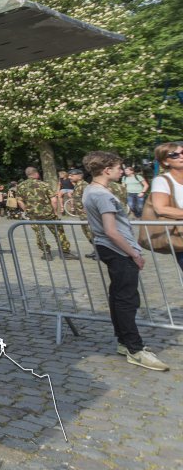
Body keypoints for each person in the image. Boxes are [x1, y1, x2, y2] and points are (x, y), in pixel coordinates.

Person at [83, 150, 169, 370]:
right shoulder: (102, 195)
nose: (121, 171)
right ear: (106, 170)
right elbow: (111, 231)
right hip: (117, 250)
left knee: (118, 297)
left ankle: (124, 342)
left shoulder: (91, 190)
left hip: (109, 248)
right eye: (118, 168)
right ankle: (134, 348)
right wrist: (134, 254)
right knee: (126, 300)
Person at [13, 166, 79, 260]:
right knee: (58, 231)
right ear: (36, 174)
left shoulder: (21, 186)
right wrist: (55, 212)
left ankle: (46, 253)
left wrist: (26, 210)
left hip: (33, 214)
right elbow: (54, 200)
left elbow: (19, 201)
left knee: (39, 234)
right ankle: (65, 252)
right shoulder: (44, 184)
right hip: (48, 213)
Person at [148, 141, 183, 272]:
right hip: (181, 234)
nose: (181, 156)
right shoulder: (162, 180)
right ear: (165, 161)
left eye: (182, 152)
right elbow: (160, 208)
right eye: (174, 155)